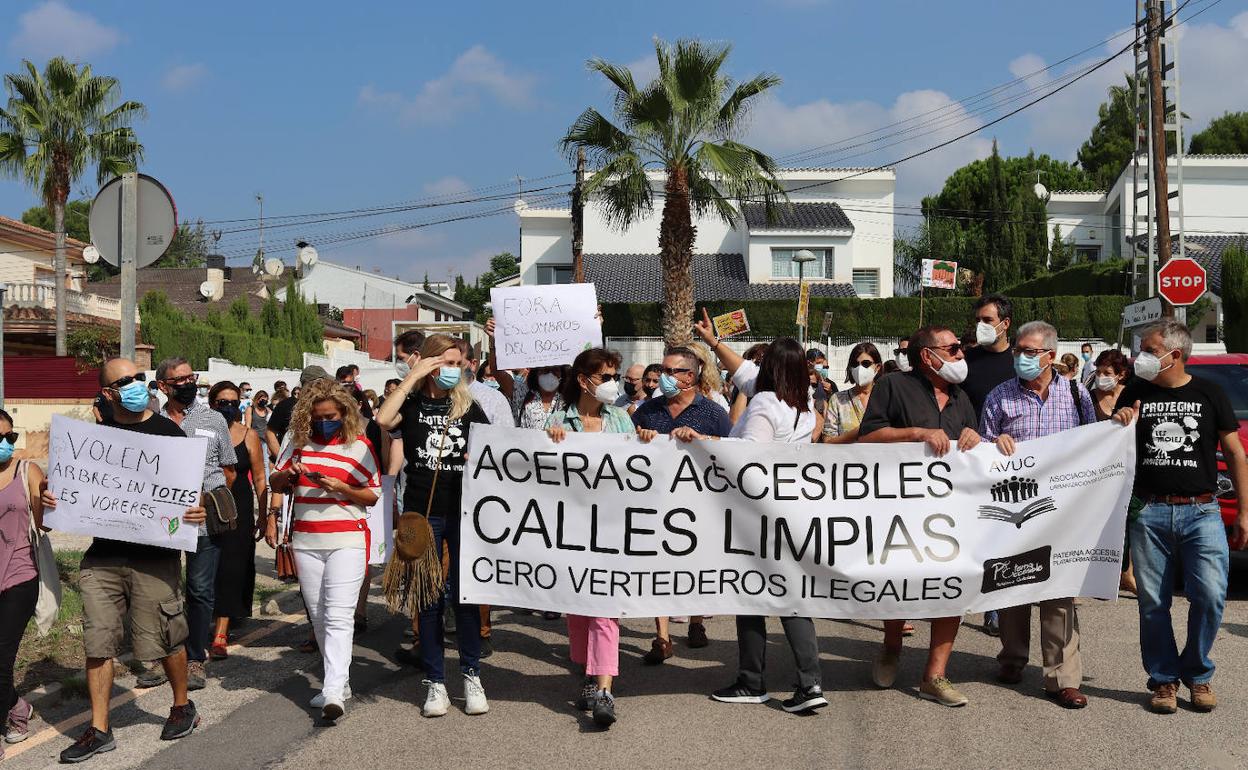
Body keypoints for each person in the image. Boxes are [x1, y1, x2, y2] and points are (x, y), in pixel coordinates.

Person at [48, 357, 204, 762]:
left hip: (156, 559)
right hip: (103, 559)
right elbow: (70, 493)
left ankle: (182, 705)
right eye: (125, 381)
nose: (136, 384)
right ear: (107, 393)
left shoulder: (170, 434)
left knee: (165, 637)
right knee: (98, 641)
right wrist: (51, 499)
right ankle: (99, 729)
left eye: (139, 377)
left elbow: (191, 496)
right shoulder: (94, 441)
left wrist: (196, 512)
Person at [980, 321, 1120, 710]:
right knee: (1010, 584)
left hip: (1062, 510)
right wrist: (995, 444)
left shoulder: (1076, 394)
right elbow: (979, 452)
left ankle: (1062, 678)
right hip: (1014, 509)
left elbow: (1094, 444)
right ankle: (1012, 658)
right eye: (1018, 350)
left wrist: (1118, 425)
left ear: (1051, 356)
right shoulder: (999, 397)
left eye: (1029, 351)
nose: (1020, 357)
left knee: (1059, 591)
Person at [1113, 320, 1248, 714]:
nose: (1141, 357)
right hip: (1149, 511)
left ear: (1174, 353)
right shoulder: (1137, 391)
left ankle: (1199, 673)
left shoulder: (1210, 392)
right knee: (1153, 603)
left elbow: (1236, 454)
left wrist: (1244, 511)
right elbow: (1111, 442)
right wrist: (1119, 421)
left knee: (1208, 596)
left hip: (1202, 511)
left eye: (1149, 350)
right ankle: (1164, 680)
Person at [690, 338, 827, 714]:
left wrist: (705, 441)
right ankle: (809, 681)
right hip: (789, 512)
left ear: (771, 368)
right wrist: (714, 342)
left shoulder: (766, 403)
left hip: (756, 513)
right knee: (790, 597)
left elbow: (747, 457)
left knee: (751, 596)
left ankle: (752, 681)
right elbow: (742, 371)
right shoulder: (803, 403)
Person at [858, 326, 981, 707]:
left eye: (960, 348)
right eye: (954, 348)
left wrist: (975, 438)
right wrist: (917, 433)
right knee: (901, 580)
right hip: (902, 509)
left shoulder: (961, 396)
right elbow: (867, 438)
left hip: (952, 514)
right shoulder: (894, 386)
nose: (961, 355)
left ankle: (935, 675)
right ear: (928, 355)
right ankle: (891, 648)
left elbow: (974, 442)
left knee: (952, 588)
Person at [375, 334, 492, 718]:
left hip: (465, 511)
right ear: (427, 364)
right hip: (422, 512)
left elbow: (496, 449)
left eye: (458, 364)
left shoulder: (468, 406)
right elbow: (383, 419)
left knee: (466, 595)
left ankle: (472, 673)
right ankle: (435, 681)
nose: (452, 371)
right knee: (427, 596)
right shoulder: (409, 404)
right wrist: (413, 378)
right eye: (444, 363)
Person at [544, 348, 656, 728]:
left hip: (611, 528)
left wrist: (644, 439)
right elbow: (533, 473)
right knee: (578, 610)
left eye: (615, 375)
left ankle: (605, 689)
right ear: (582, 380)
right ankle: (590, 677)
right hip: (571, 532)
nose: (612, 383)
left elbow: (640, 465)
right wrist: (549, 441)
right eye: (605, 376)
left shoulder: (622, 420)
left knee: (605, 609)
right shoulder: (558, 420)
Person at [269, 379, 380, 723]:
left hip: (347, 539)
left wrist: (342, 487)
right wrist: (291, 475)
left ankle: (333, 689)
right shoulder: (297, 444)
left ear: (344, 413)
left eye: (330, 416)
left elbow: (372, 494)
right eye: (317, 417)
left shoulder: (359, 446)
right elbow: (275, 481)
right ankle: (340, 681)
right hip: (306, 540)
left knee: (338, 615)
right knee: (318, 615)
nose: (323, 422)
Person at [631, 344, 732, 662]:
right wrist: (641, 439)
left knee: (696, 565)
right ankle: (661, 637)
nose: (663, 377)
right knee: (658, 567)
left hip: (700, 505)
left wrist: (703, 440)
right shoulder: (648, 410)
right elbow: (627, 453)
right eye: (662, 370)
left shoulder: (713, 413)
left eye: (671, 371)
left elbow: (734, 451)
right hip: (656, 503)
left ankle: (696, 623)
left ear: (689, 376)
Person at [157, 358, 236, 692]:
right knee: (162, 591)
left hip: (204, 525)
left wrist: (210, 502)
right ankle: (160, 655)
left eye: (192, 378)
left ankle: (195, 658)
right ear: (163, 386)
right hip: (161, 524)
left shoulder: (214, 419)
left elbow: (228, 470)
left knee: (200, 591)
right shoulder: (151, 421)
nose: (188, 384)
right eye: (180, 380)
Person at [961, 294, 1014, 637]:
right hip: (970, 459)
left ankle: (997, 607)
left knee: (1004, 535)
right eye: (977, 319)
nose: (980, 325)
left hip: (1010, 461)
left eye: (986, 319)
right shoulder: (966, 361)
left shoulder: (1019, 361)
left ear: (1004, 324)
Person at [207, 382, 268, 661]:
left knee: (233, 566)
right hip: (205, 504)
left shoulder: (249, 435)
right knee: (207, 567)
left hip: (239, 507)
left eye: (233, 401)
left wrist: (265, 516)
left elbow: (258, 477)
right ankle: (206, 617)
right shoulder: (201, 432)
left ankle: (221, 632)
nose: (228, 406)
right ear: (211, 403)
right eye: (221, 401)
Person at [0, 409, 46, 756]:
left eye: (10, 437)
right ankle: (17, 706)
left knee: (1, 657)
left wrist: (47, 504)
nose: (6, 444)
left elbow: (44, 522)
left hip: (20, 575)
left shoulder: (27, 471)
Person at [1089, 349, 1136, 595]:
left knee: (1127, 521)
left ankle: (1126, 573)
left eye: (1107, 373)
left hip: (1126, 470)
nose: (1101, 377)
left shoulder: (1130, 397)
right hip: (1096, 473)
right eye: (1098, 372)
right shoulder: (1087, 397)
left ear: (1121, 375)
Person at [819, 342, 882, 444]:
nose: (860, 369)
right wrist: (858, 432)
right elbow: (828, 440)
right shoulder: (838, 400)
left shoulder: (887, 397)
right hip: (847, 459)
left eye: (866, 364)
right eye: (855, 364)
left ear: (877, 367)